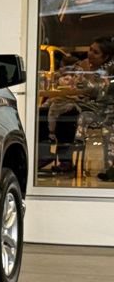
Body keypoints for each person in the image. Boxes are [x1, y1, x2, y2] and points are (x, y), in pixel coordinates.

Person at [41, 37, 114, 177]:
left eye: (95, 52)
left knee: (68, 115)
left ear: (106, 57)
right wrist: (60, 77)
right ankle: (44, 153)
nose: (90, 53)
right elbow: (63, 73)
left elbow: (100, 92)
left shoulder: (109, 70)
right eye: (90, 49)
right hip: (82, 103)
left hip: (101, 110)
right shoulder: (83, 65)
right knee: (42, 112)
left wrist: (83, 84)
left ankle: (65, 160)